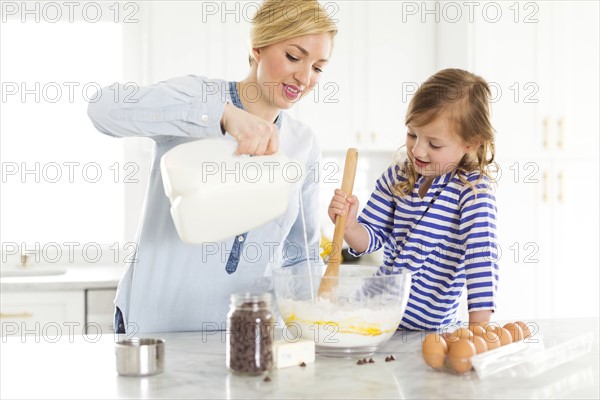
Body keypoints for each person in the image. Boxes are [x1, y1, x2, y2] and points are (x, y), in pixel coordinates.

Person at [87, 0, 337, 333]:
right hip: (153, 329)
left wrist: (318, 318)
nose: (305, 78)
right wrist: (222, 115)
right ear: (257, 47)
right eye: (294, 57)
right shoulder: (199, 97)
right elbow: (103, 110)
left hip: (243, 339)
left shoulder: (303, 144)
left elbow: (299, 255)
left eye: (318, 68)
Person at [328, 69, 499, 331]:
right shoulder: (397, 176)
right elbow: (370, 237)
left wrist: (479, 331)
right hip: (375, 314)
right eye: (412, 134)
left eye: (434, 144)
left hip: (430, 331)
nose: (418, 150)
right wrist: (350, 226)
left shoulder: (473, 192)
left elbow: (481, 259)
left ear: (470, 143)